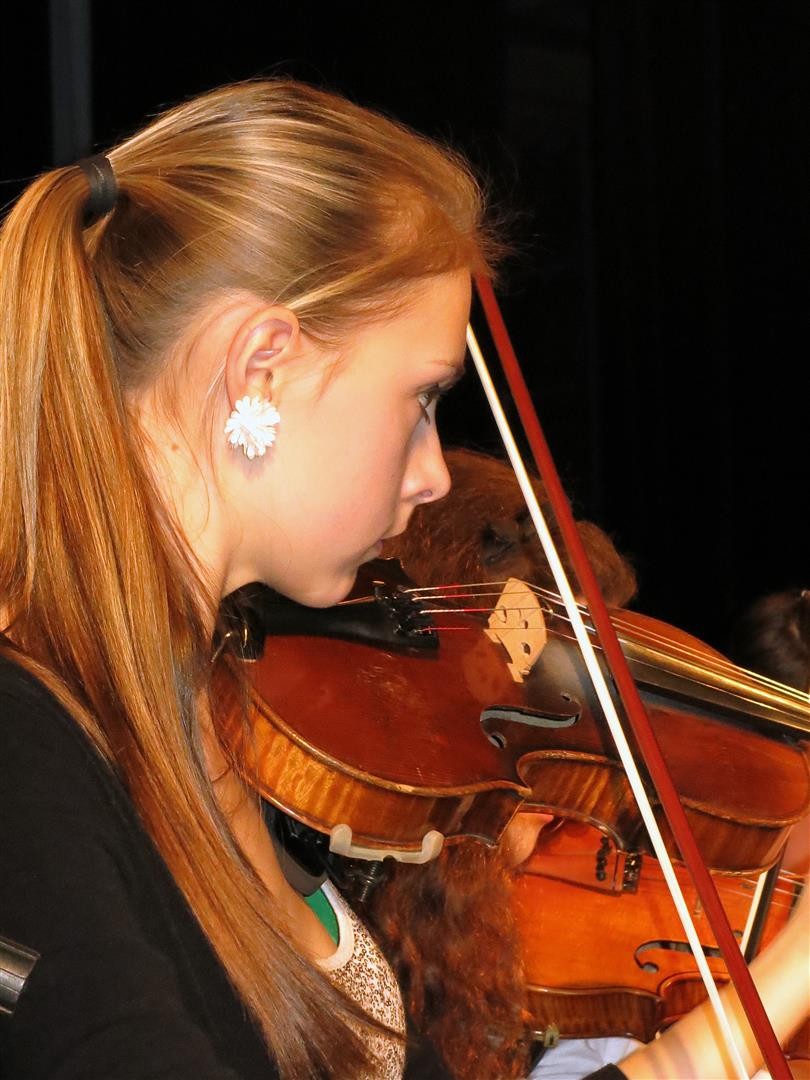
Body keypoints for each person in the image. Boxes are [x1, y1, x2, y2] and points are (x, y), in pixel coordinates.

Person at [0, 79, 806, 1080]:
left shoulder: (205, 720)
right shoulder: (25, 752)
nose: (434, 474)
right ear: (261, 367)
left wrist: (788, 974)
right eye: (422, 398)